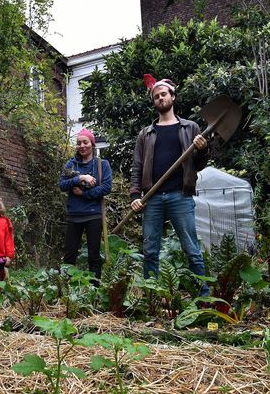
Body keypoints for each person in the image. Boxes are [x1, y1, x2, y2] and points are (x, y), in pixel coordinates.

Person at [130, 75, 211, 296]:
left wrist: (203, 149)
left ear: (173, 97)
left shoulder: (190, 128)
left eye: (164, 94)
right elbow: (137, 166)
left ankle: (204, 297)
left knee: (191, 249)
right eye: (156, 96)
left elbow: (199, 165)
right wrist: (135, 195)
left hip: (180, 196)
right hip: (152, 198)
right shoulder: (146, 134)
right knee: (150, 251)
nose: (160, 98)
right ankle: (151, 298)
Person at [59, 128, 112, 282]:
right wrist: (81, 177)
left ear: (92, 144)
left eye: (85, 142)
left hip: (93, 215)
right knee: (69, 256)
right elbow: (62, 184)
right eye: (79, 143)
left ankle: (94, 290)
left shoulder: (103, 165)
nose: (82, 146)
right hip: (74, 215)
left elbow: (106, 188)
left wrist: (83, 194)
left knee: (94, 255)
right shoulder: (71, 164)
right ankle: (67, 290)